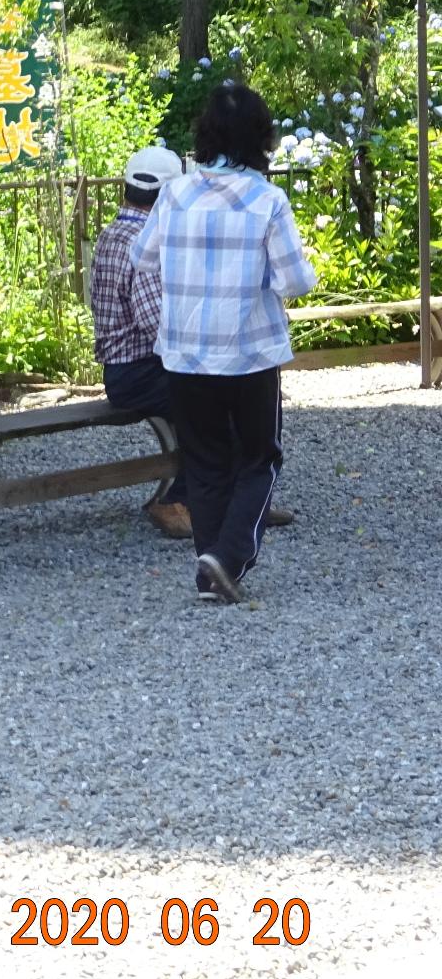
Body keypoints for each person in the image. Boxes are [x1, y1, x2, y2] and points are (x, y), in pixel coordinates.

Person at [133, 83, 315, 604]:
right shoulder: (268, 200)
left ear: (205, 135)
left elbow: (143, 257)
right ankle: (229, 557)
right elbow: (294, 281)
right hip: (249, 353)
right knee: (260, 458)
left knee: (206, 462)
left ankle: (209, 571)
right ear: (262, 138)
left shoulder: (174, 194)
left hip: (184, 352)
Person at [90, 145, 194, 538]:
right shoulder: (147, 240)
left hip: (121, 371)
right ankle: (178, 500)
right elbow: (156, 323)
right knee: (213, 397)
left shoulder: (112, 233)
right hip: (141, 371)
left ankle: (212, 497)